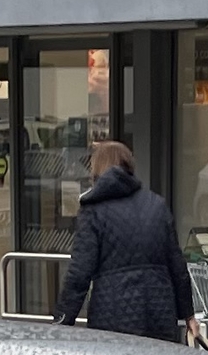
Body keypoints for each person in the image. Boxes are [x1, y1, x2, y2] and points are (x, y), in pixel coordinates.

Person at [54, 140, 195, 341]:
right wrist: (188, 314)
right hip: (159, 313)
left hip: (112, 318)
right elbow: (177, 266)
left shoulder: (93, 210)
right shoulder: (156, 204)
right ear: (129, 166)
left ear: (97, 170)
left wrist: (62, 321)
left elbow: (79, 274)